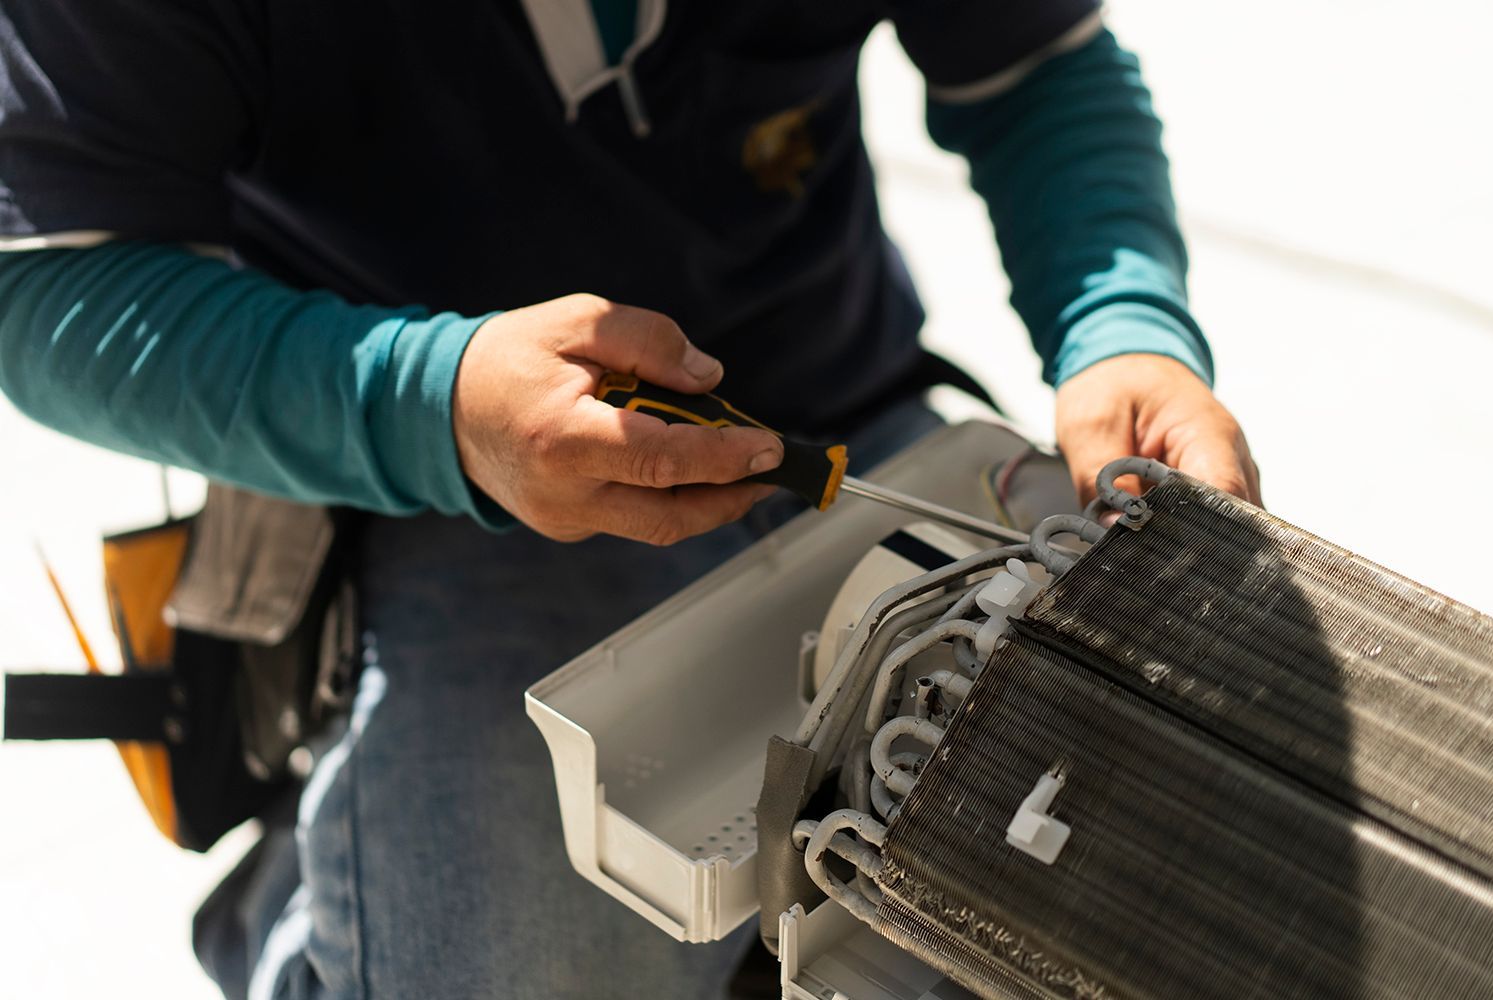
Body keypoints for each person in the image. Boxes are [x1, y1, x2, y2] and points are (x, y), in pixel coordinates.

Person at [0, 1, 1259, 997]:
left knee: (1140, 886)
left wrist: (1124, 330)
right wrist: (428, 402)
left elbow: (1034, 67)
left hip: (843, 415)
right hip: (437, 497)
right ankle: (314, 901)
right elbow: (50, 285)